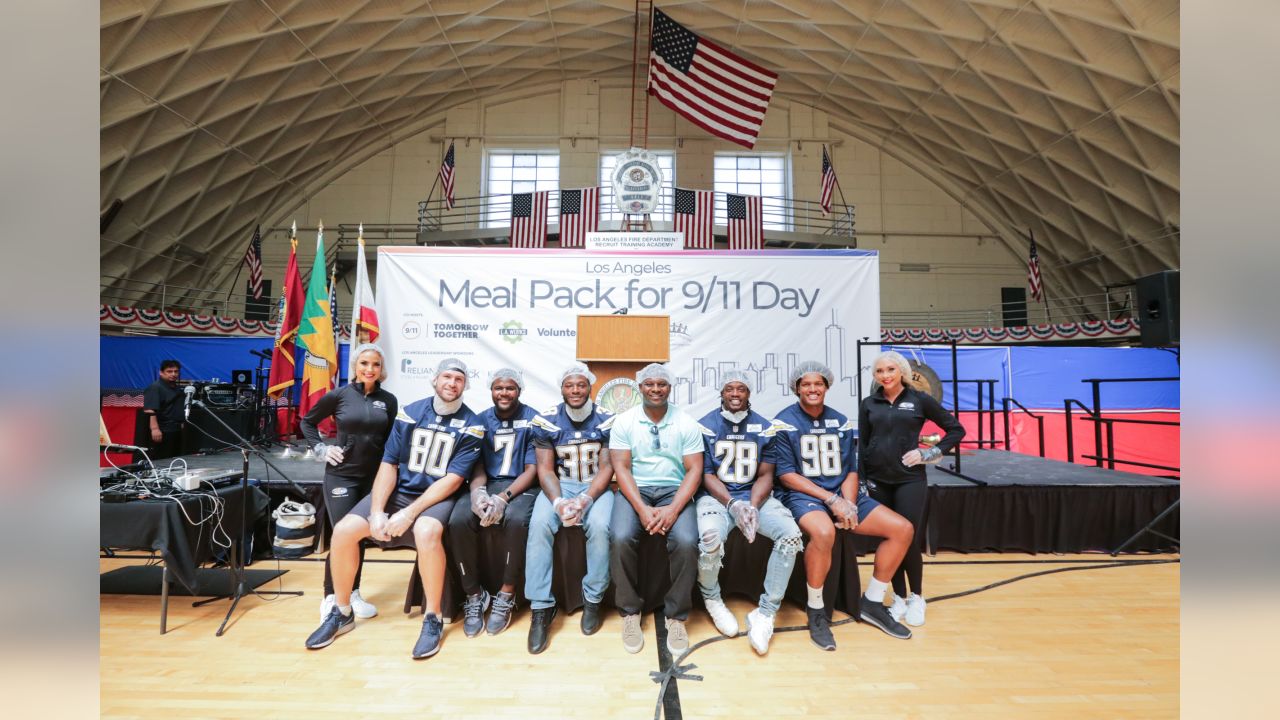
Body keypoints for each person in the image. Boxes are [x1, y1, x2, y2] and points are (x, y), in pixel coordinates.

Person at [304, 357, 483, 659]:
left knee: (426, 531)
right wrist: (376, 511)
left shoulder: (473, 424)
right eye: (447, 377)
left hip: (436, 497)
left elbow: (453, 480)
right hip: (400, 492)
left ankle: (433, 618)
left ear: (465, 385)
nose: (452, 384)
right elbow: (388, 464)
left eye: (459, 380)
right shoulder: (410, 413)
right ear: (435, 380)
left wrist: (409, 513)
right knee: (345, 530)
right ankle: (342, 609)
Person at [772, 361, 915, 649]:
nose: (813, 389)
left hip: (844, 494)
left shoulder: (840, 421)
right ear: (796, 388)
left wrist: (849, 503)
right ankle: (816, 610)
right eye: (806, 384)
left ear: (827, 386)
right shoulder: (783, 421)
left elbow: (851, 469)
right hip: (806, 496)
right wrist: (831, 499)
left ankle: (872, 602)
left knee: (903, 529)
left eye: (818, 384)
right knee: (825, 533)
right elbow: (787, 475)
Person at [694, 371, 804, 655]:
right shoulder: (705, 426)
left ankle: (765, 612)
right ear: (721, 393)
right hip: (718, 499)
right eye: (729, 388)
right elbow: (705, 475)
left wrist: (752, 506)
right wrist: (733, 504)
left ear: (748, 393)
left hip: (755, 497)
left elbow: (767, 474)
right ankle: (712, 598)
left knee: (790, 536)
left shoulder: (765, 427)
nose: (734, 394)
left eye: (740, 389)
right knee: (709, 539)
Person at [860, 351, 965, 628]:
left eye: (890, 369)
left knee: (908, 538)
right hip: (877, 480)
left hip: (909, 480)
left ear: (902, 372)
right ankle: (898, 597)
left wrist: (928, 453)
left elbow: (956, 430)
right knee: (890, 539)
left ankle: (917, 597)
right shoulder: (869, 403)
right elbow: (862, 445)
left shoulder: (920, 400)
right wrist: (861, 480)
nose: (885, 375)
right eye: (879, 371)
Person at [608, 363, 704, 656]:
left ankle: (676, 616)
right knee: (621, 537)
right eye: (649, 384)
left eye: (661, 384)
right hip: (635, 490)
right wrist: (640, 508)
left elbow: (694, 470)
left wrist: (673, 510)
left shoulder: (686, 422)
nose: (655, 389)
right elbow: (621, 468)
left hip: (673, 491)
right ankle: (629, 612)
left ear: (669, 388)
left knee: (687, 542)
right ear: (640, 388)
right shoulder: (624, 421)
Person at [301, 343, 398, 623]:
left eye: (376, 365)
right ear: (355, 366)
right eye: (365, 363)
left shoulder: (388, 400)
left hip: (373, 478)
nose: (370, 369)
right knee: (342, 535)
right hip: (341, 475)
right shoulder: (339, 395)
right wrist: (321, 449)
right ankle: (331, 597)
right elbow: (307, 423)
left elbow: (393, 438)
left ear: (382, 370)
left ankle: (353, 592)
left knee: (360, 535)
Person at [524, 363, 616, 654]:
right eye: (569, 385)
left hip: (595, 487)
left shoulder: (606, 419)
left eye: (580, 385)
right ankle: (541, 607)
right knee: (538, 525)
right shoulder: (548, 420)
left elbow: (607, 467)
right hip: (561, 485)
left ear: (590, 386)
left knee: (601, 527)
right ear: (561, 388)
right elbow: (545, 469)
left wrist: (586, 499)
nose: (575, 390)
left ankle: (593, 599)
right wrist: (559, 501)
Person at [447, 368, 542, 638]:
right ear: (491, 390)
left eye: (510, 388)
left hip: (520, 486)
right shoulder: (478, 420)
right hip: (485, 484)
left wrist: (503, 498)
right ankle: (474, 594)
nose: (504, 393)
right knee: (458, 519)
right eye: (499, 388)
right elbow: (475, 465)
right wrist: (478, 494)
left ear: (519, 391)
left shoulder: (532, 419)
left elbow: (532, 470)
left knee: (515, 519)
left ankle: (507, 592)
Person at [141, 359, 185, 460]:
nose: (173, 374)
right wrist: (155, 429)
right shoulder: (155, 387)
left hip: (175, 429)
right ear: (161, 372)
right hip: (163, 430)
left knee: (174, 459)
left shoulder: (176, 388)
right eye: (169, 371)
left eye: (176, 371)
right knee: (162, 459)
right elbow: (150, 410)